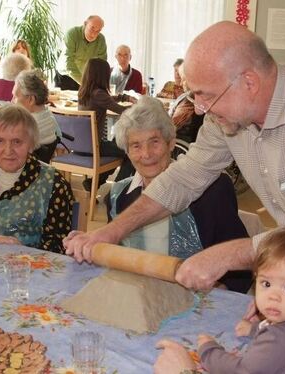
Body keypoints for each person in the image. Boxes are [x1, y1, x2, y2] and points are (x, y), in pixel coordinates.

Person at [64, 21, 285, 350]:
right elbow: (185, 177)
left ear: (249, 82)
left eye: (205, 95)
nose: (200, 109)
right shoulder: (228, 115)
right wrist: (109, 233)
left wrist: (221, 256)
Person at [107, 96, 250, 292]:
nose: (146, 154)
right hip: (136, 299)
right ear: (127, 152)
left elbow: (238, 265)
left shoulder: (213, 190)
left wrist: (219, 289)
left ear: (171, 143)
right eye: (136, 146)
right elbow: (115, 257)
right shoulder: (117, 195)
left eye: (154, 142)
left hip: (195, 303)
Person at [155, 229, 285, 373]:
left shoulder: (277, 340)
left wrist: (208, 350)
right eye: (266, 283)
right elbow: (274, 329)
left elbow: (243, 370)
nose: (273, 296)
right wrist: (254, 329)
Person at [0, 104, 73, 253]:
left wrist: (23, 249)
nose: (8, 150)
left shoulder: (54, 184)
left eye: (17, 141)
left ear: (31, 144)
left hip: (24, 269)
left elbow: (61, 247)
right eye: (0, 141)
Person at [77, 58, 136, 191]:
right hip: (94, 147)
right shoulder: (99, 94)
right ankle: (117, 189)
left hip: (81, 146)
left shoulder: (84, 92)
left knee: (118, 147)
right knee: (131, 151)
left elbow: (107, 99)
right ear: (102, 75)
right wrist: (140, 107)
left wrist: (124, 97)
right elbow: (121, 110)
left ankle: (94, 183)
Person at [12, 69, 61, 162]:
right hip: (39, 172)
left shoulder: (25, 128)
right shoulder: (50, 118)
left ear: (31, 100)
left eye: (15, 97)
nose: (12, 101)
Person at [61, 15, 107, 90]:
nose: (94, 34)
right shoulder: (72, 34)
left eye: (98, 31)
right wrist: (86, 83)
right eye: (92, 28)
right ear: (85, 24)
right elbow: (68, 62)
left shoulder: (101, 39)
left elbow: (102, 64)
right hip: (66, 76)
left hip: (86, 79)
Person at [168, 62, 204, 144]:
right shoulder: (185, 97)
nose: (180, 84)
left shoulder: (189, 101)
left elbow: (172, 127)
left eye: (183, 80)